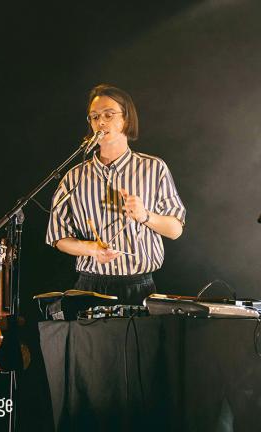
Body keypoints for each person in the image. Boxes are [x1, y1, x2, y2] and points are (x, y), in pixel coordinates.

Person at [46, 84, 185, 305]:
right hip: (89, 288)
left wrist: (145, 216)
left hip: (139, 289)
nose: (100, 122)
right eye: (94, 117)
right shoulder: (74, 176)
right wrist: (91, 249)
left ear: (126, 119)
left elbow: (175, 230)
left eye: (108, 114)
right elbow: (58, 236)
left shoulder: (153, 168)